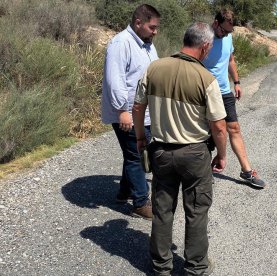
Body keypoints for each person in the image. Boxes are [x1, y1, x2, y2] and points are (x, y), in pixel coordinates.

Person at [132, 22, 227, 276]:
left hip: (161, 150)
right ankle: (196, 267)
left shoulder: (154, 68)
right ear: (205, 47)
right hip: (195, 154)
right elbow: (218, 126)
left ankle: (161, 267)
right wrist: (222, 154)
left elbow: (138, 107)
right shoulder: (206, 78)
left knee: (162, 209)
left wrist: (141, 138)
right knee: (196, 210)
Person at [101, 4, 160, 220]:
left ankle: (124, 191)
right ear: (138, 23)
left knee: (133, 152)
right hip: (128, 112)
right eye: (152, 27)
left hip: (144, 112)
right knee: (136, 155)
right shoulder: (121, 43)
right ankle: (140, 203)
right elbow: (114, 80)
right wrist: (122, 110)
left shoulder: (147, 45)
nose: (155, 32)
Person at [203, 8, 266, 188]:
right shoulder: (202, 38)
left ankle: (247, 171)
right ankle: (201, 172)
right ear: (216, 23)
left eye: (230, 31)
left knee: (234, 128)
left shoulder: (227, 36)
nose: (226, 34)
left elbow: (230, 60)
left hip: (224, 91)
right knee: (208, 131)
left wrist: (237, 82)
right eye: (224, 30)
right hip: (204, 92)